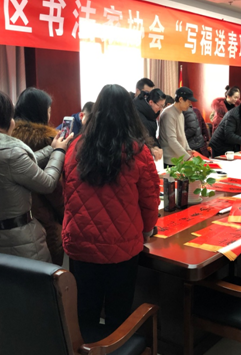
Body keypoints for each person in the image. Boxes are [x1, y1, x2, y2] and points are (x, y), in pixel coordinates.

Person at [62, 84, 159, 335]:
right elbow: (150, 199)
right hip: (122, 245)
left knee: (85, 312)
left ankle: (85, 348)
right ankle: (116, 348)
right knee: (119, 314)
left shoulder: (76, 147)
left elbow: (67, 191)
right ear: (130, 112)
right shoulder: (138, 151)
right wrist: (147, 230)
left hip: (80, 242)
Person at [0, 88, 72, 262]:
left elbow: (20, 166)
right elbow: (47, 183)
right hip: (16, 243)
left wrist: (51, 149)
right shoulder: (11, 154)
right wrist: (59, 152)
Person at [11, 88, 66, 265]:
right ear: (41, 112)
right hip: (45, 221)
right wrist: (66, 215)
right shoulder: (49, 140)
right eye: (48, 111)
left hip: (16, 221)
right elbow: (55, 189)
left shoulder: (8, 139)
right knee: (50, 272)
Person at [159, 87, 196, 166]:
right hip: (170, 160)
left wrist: (188, 149)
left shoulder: (180, 113)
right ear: (181, 99)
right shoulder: (168, 113)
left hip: (179, 158)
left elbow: (182, 134)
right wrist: (187, 157)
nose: (190, 104)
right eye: (188, 101)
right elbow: (171, 140)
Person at [134, 88, 166, 161]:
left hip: (150, 148)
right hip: (140, 152)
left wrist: (155, 146)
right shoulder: (137, 112)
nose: (161, 109)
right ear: (151, 102)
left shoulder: (152, 113)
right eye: (160, 106)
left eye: (163, 106)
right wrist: (151, 147)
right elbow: (138, 136)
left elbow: (152, 134)